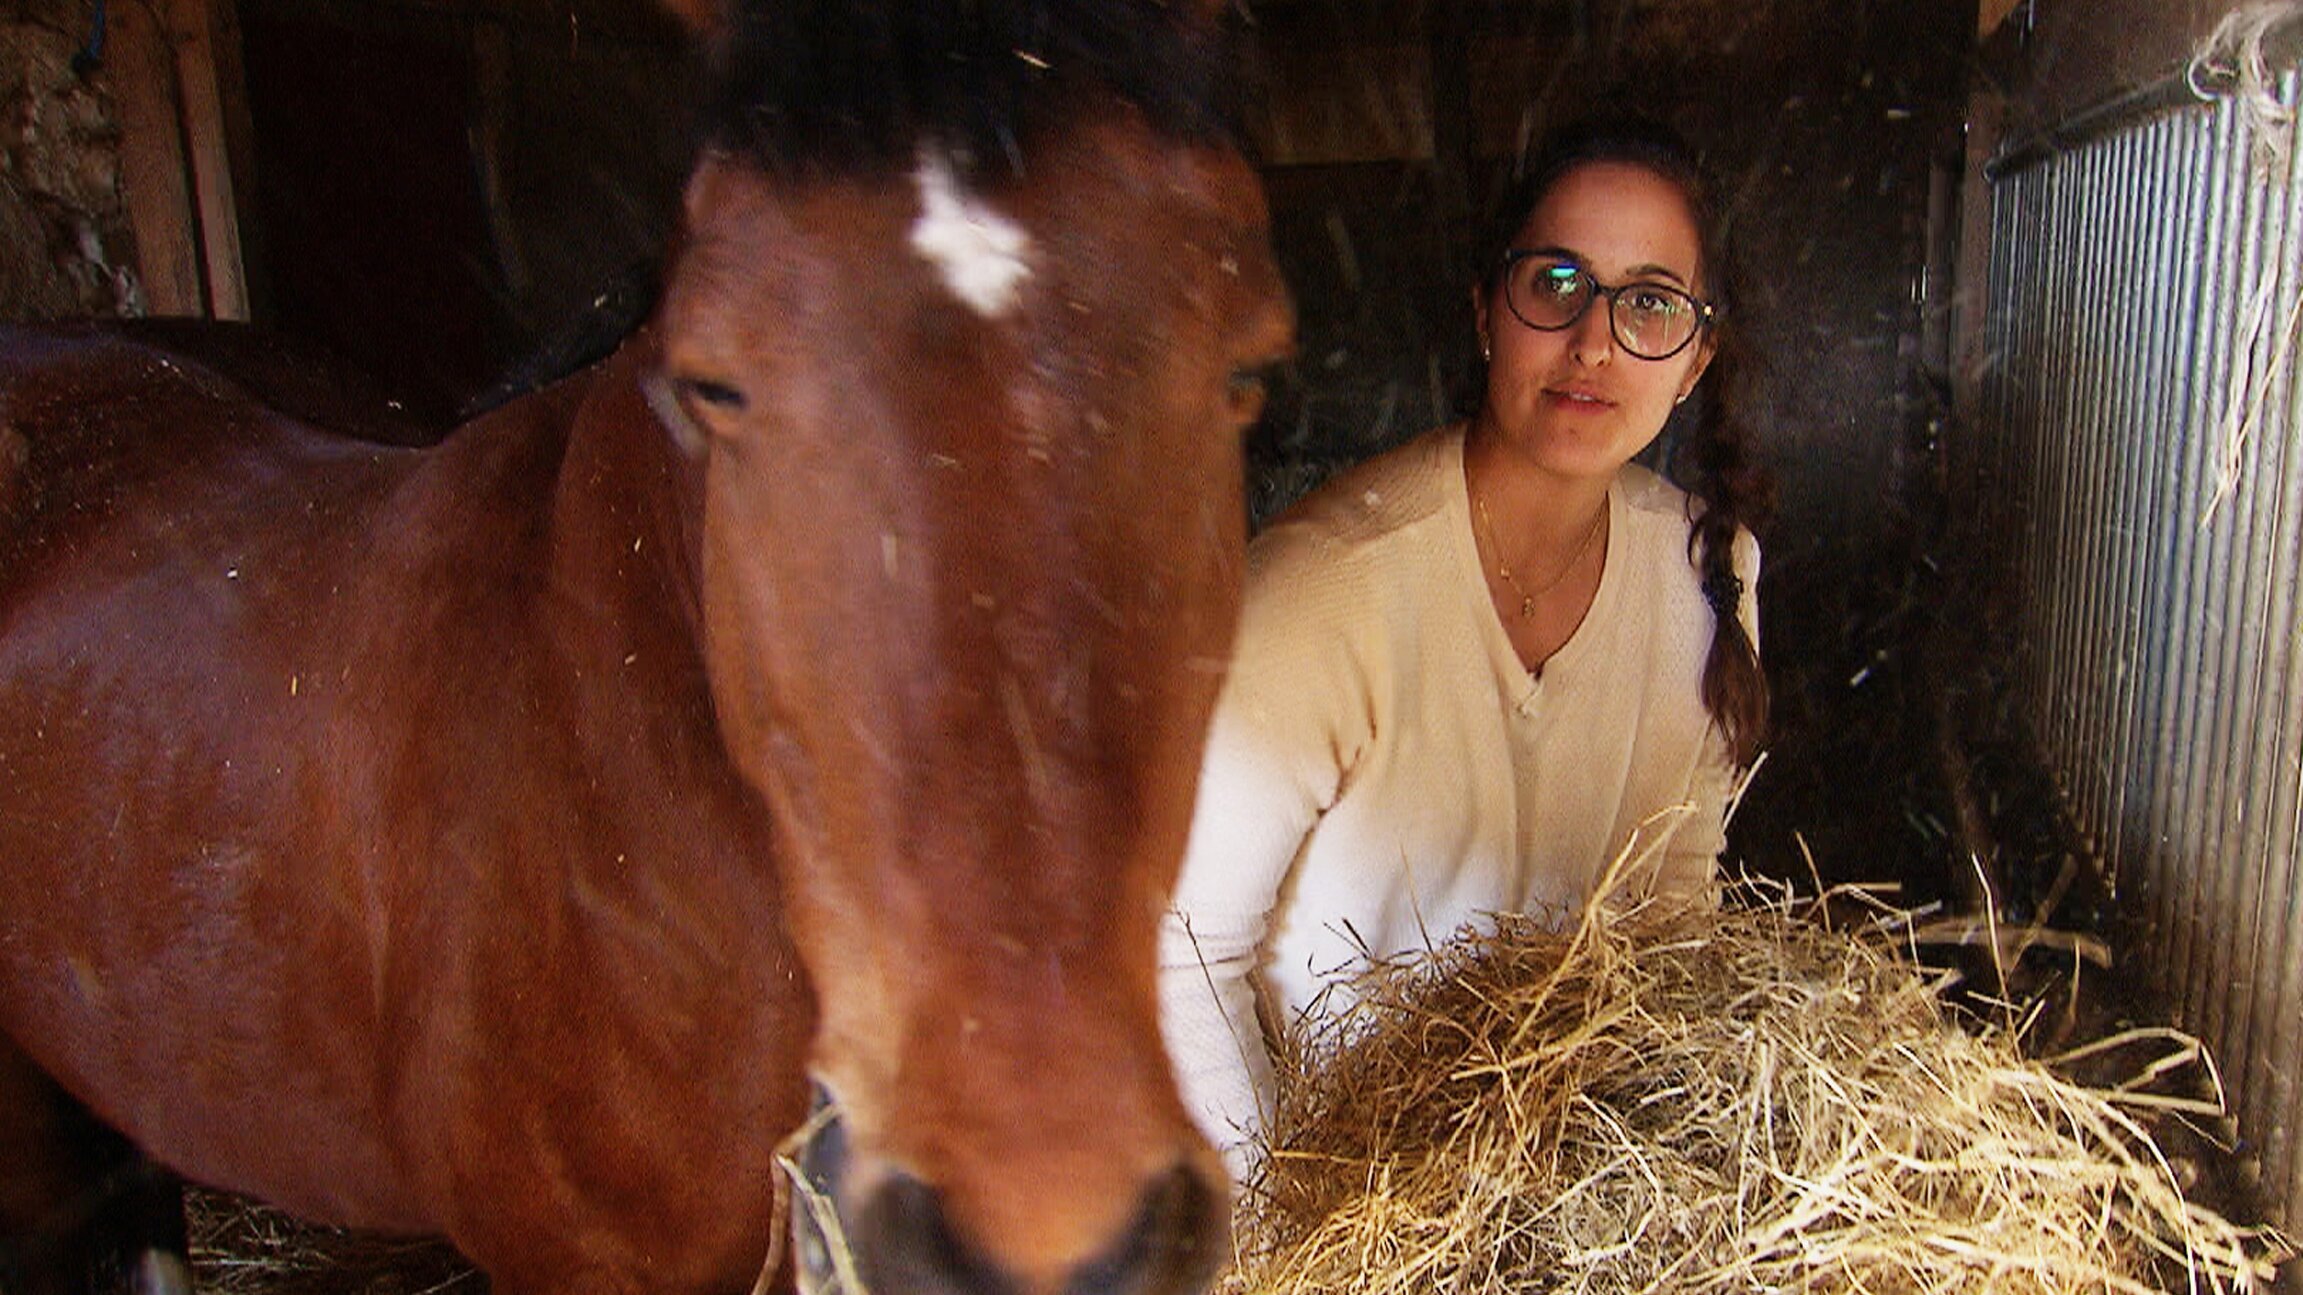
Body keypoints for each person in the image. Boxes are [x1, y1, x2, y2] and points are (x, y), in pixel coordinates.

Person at [1159, 115, 1771, 1179]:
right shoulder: (1322, 592)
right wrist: (1287, 1230)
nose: (1593, 343)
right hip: (1354, 1182)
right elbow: (1179, 956)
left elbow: (1674, 901)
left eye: (1649, 305)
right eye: (1556, 284)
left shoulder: (1704, 573)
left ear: (1694, 360)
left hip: (1581, 1180)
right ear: (1486, 312)